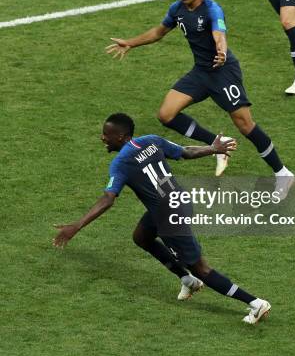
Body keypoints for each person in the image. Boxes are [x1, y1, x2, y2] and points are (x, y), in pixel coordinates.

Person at [53, 113, 271, 325]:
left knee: (201, 269)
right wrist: (212, 149)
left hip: (169, 216)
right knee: (142, 237)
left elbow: (108, 199)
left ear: (120, 137)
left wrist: (77, 226)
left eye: (106, 134)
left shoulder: (120, 163)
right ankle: (187, 280)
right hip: (177, 202)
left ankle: (255, 303)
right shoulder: (151, 141)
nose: (102, 137)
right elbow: (185, 152)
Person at [105, 0, 294, 198]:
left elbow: (219, 35)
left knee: (245, 125)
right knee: (166, 114)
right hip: (201, 73)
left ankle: (282, 173)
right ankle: (217, 144)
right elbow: (158, 32)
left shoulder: (212, 9)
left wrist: (222, 52)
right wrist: (131, 43)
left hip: (223, 72)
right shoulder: (177, 9)